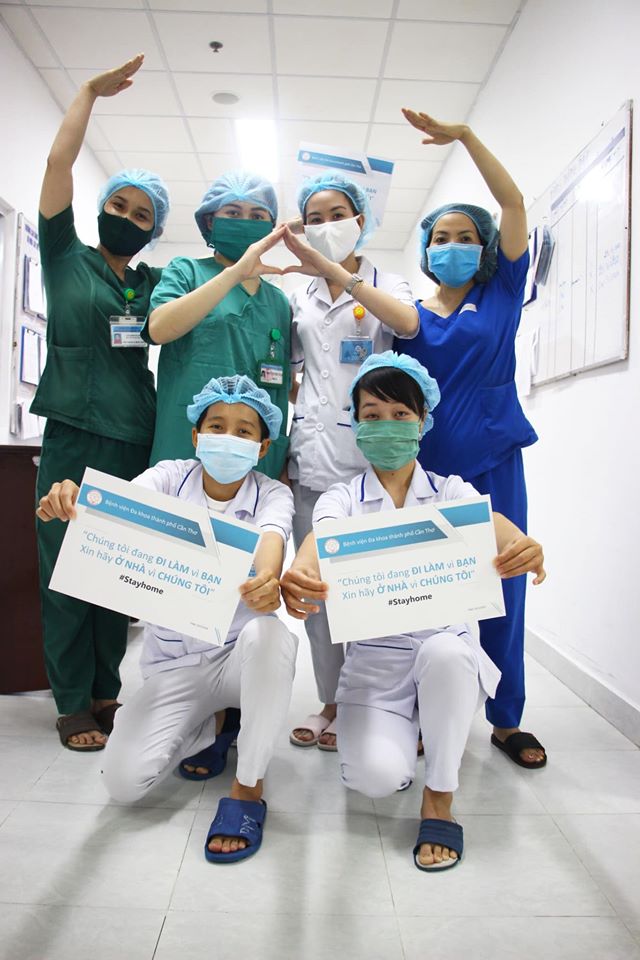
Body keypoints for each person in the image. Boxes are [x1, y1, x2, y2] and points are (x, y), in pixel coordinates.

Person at [281, 352, 545, 870]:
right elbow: (320, 539)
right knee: (375, 779)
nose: (387, 425)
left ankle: (440, 796)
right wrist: (302, 572)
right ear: (355, 424)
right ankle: (415, 730)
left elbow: (492, 525)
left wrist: (524, 545)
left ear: (423, 422)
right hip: (376, 668)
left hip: (444, 657)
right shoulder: (341, 498)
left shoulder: (449, 490)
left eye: (401, 414)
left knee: (446, 653)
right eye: (372, 414)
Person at [37, 375, 298, 863]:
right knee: (123, 783)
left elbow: (272, 540)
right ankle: (217, 722)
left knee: (271, 635)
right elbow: (119, 509)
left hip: (239, 658)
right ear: (196, 436)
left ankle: (248, 788)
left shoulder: (271, 494)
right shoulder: (168, 478)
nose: (228, 437)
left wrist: (266, 580)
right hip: (176, 663)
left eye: (244, 431)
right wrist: (77, 499)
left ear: (263, 447)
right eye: (216, 426)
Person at [396, 109, 544, 769]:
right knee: (429, 594)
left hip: (494, 463)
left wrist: (464, 138)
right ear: (426, 249)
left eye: (465, 236)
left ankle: (506, 719)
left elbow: (513, 203)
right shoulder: (407, 316)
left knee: (504, 590)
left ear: (483, 248)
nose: (452, 245)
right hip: (426, 475)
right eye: (441, 236)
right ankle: (422, 710)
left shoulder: (502, 290)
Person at [31, 54, 170, 752]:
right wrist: (87, 92)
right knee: (64, 571)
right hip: (71, 432)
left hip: (134, 438)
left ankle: (106, 691)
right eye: (119, 206)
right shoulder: (65, 256)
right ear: (100, 208)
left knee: (117, 572)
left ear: (153, 229)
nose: (127, 218)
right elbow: (58, 165)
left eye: (142, 214)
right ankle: (70, 702)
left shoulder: (153, 283)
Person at [281, 172, 420, 750]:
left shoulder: (390, 282)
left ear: (360, 220)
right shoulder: (299, 296)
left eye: (336, 214)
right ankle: (332, 703)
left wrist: (336, 272)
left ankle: (386, 703)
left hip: (374, 463)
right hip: (312, 463)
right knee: (320, 600)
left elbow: (407, 324)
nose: (325, 226)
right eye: (313, 218)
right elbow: (294, 372)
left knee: (380, 592)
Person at [143, 172, 291, 478]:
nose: (245, 221)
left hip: (253, 456)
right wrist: (234, 274)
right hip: (185, 446)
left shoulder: (277, 301)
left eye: (257, 216)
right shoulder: (186, 272)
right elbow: (158, 329)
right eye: (233, 213)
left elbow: (280, 387)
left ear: (270, 229)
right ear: (210, 221)